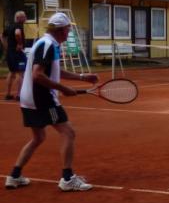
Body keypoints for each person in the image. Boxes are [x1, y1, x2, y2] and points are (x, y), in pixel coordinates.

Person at [5, 12, 98, 191]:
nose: (69, 32)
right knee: (68, 132)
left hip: (29, 98)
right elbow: (37, 75)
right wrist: (64, 89)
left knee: (38, 137)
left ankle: (14, 176)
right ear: (61, 30)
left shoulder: (46, 43)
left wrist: (82, 77)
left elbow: (54, 70)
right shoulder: (48, 45)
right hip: (42, 98)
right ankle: (67, 179)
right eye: (68, 29)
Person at [2, 10, 27, 101]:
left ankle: (8, 94)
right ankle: (19, 95)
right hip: (18, 53)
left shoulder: (9, 26)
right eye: (24, 16)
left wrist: (6, 47)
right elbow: (17, 33)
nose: (25, 18)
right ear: (18, 18)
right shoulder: (18, 26)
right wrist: (20, 44)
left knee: (11, 72)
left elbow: (2, 36)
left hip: (10, 53)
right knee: (20, 73)